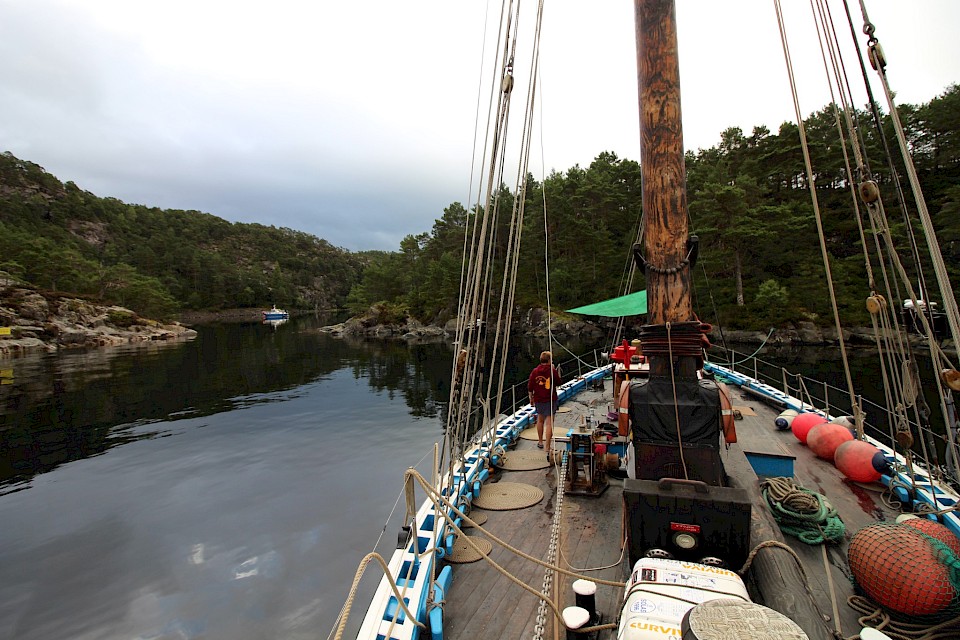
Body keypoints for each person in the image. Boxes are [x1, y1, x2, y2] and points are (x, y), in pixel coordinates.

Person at [528, 350, 562, 455]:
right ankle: (547, 447)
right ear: (549, 360)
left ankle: (540, 441)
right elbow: (559, 382)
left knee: (540, 420)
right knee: (549, 423)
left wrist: (531, 398)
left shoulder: (535, 371)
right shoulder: (552, 371)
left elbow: (530, 386)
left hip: (538, 399)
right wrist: (555, 370)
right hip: (550, 399)